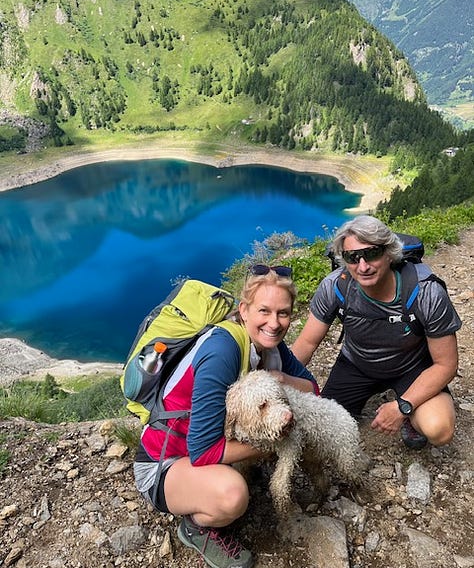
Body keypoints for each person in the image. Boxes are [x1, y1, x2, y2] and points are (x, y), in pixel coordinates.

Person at [133, 265, 319, 568]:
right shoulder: (223, 351)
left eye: (283, 313)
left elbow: (312, 389)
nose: (274, 323)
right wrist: (276, 442)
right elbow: (203, 451)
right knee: (233, 495)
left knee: (293, 419)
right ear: (243, 310)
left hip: (199, 451)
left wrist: (280, 379)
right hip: (163, 464)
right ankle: (196, 527)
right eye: (264, 311)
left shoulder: (270, 345)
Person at [292, 215, 461, 451]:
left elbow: (446, 365)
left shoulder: (425, 292)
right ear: (344, 259)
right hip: (356, 365)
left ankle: (414, 416)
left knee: (438, 428)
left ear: (389, 252)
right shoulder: (335, 286)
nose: (363, 266)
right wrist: (275, 382)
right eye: (352, 257)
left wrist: (403, 406)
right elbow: (306, 344)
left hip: (412, 367)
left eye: (371, 253)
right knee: (318, 431)